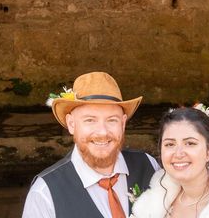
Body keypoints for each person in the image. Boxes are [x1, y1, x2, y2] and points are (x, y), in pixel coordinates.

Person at [22, 71, 159, 218]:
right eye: (90, 120)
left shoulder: (149, 165)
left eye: (112, 120)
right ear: (71, 124)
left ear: (123, 123)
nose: (102, 132)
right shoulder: (44, 194)